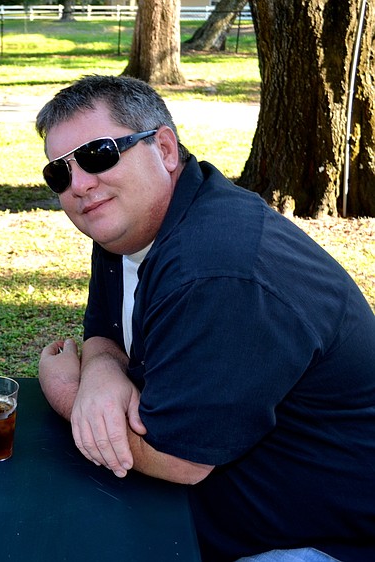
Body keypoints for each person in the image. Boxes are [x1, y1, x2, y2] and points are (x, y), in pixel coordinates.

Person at [35, 75, 375, 562]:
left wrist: (66, 388)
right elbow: (104, 331)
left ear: (165, 149)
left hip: (314, 542)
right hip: (211, 511)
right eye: (59, 174)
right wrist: (103, 371)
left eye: (98, 154)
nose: (80, 185)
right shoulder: (126, 231)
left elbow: (178, 459)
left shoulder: (216, 270)